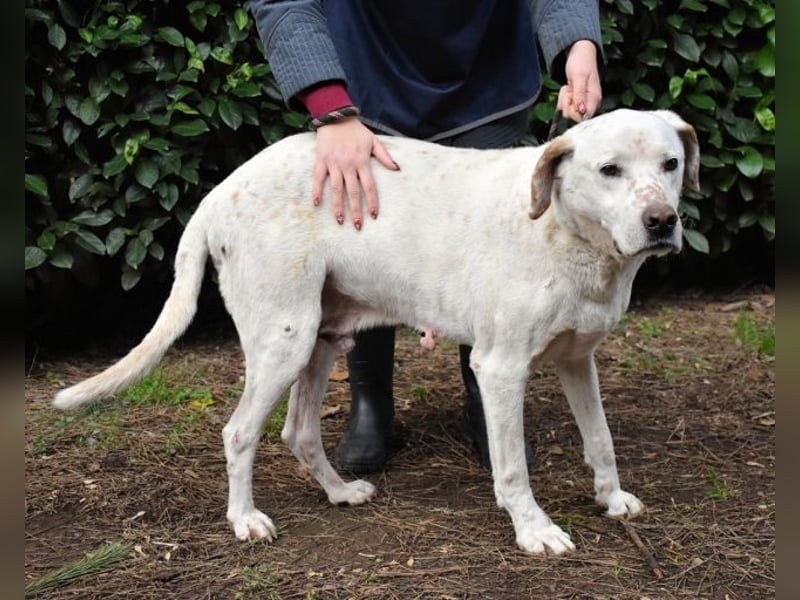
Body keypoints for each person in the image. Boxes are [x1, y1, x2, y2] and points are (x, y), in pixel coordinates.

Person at [250, 0, 604, 473]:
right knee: (364, 227)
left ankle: (487, 402)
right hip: (362, 77)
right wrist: (329, 107)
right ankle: (371, 403)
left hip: (488, 77)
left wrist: (577, 43)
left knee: (489, 241)